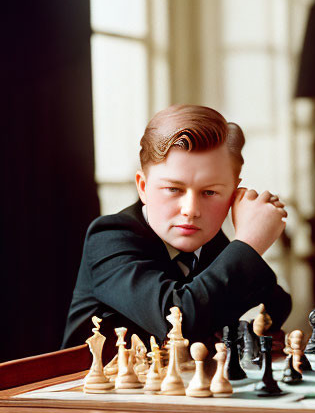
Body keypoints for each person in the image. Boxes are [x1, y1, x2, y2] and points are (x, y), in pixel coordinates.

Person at [63, 105, 292, 348]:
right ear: (143, 186)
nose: (191, 210)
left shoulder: (210, 242)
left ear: (233, 196)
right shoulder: (109, 237)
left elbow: (276, 303)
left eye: (210, 192)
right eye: (174, 189)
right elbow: (181, 322)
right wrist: (249, 241)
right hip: (78, 384)